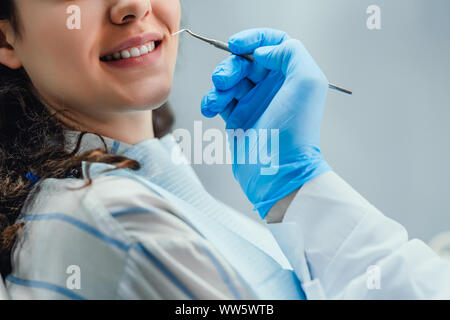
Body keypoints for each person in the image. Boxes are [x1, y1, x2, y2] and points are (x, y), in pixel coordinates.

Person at [0, 0, 448, 300]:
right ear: (6, 39)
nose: (133, 6)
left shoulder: (134, 204)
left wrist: (296, 189)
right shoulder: (118, 220)